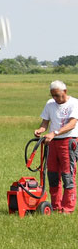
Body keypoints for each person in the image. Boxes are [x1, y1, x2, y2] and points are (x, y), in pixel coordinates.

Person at [34, 80, 78, 213]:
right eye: (52, 95)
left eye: (57, 95)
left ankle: (67, 208)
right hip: (52, 143)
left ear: (65, 91)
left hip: (68, 142)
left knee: (67, 175)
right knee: (52, 175)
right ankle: (56, 206)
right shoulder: (50, 104)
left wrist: (54, 133)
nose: (55, 98)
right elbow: (45, 122)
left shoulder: (74, 103)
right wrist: (41, 130)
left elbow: (72, 124)